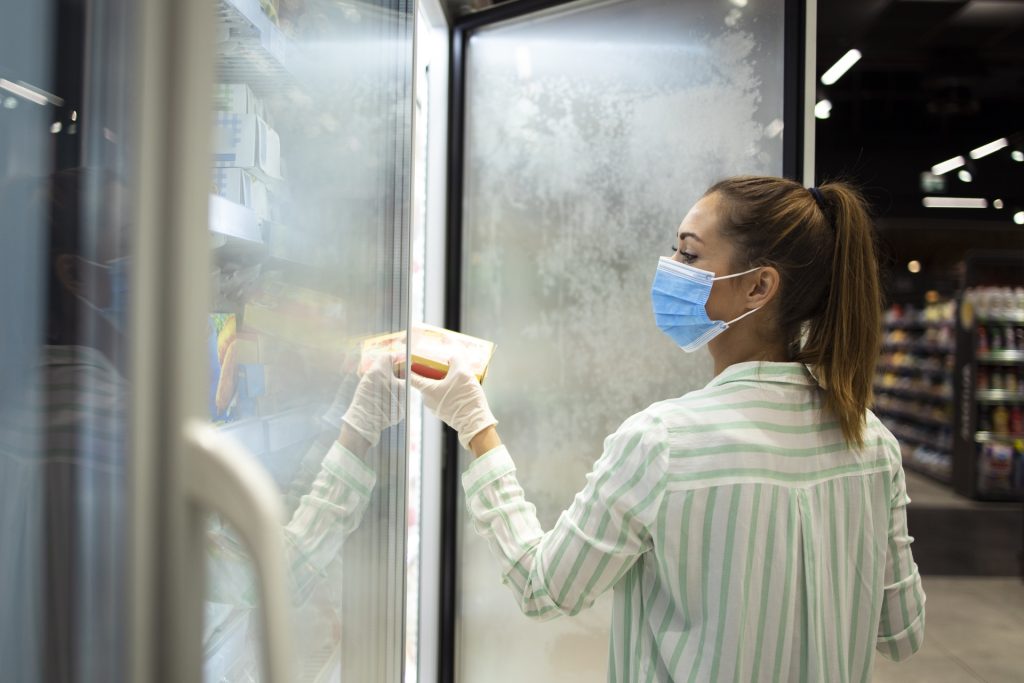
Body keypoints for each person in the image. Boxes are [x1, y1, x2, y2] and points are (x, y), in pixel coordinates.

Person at [412, 176, 926, 682]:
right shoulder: (873, 445)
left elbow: (545, 588)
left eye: (689, 254)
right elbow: (901, 633)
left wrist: (476, 426)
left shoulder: (664, 443)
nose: (670, 270)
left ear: (758, 287)